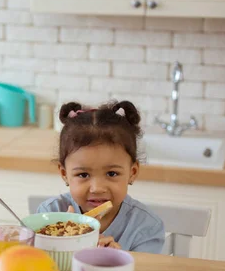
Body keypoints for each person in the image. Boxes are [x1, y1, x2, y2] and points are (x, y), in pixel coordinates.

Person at [36, 101, 165, 253]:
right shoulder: (49, 215)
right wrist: (63, 242)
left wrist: (113, 260)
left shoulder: (146, 227)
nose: (97, 188)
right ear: (65, 174)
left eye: (112, 173)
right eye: (83, 174)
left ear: (132, 172)